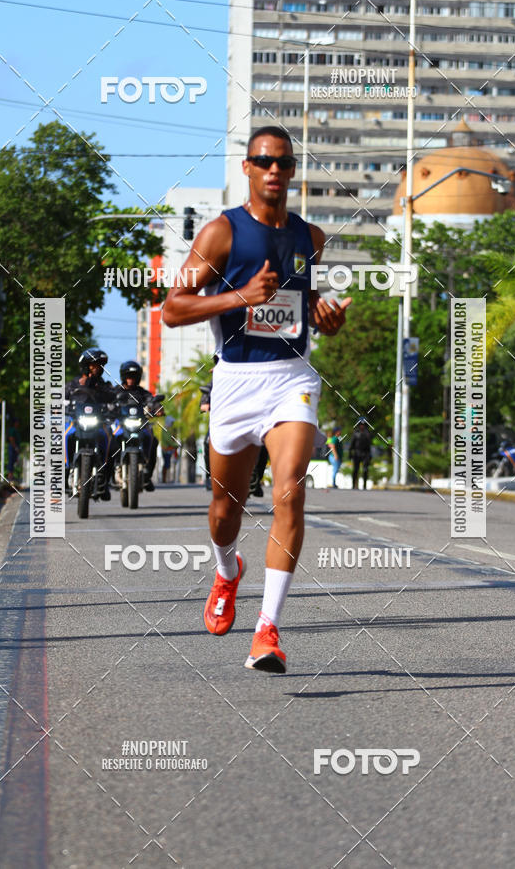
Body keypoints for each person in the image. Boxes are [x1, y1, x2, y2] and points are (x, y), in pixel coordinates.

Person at [163, 125, 351, 673]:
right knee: (227, 511)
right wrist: (238, 296)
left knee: (289, 488)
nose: (274, 170)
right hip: (235, 381)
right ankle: (227, 573)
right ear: (247, 168)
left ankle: (267, 630)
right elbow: (174, 307)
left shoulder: (310, 239)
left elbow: (310, 306)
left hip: (291, 376)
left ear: (293, 172)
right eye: (264, 161)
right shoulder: (222, 233)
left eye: (284, 163)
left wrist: (327, 318)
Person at [64, 349, 115, 500]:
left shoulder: (104, 385)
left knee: (111, 443)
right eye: (94, 365)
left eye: (100, 365)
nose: (97, 368)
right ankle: (64, 473)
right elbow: (61, 398)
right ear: (85, 366)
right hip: (76, 423)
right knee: (63, 438)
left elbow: (114, 398)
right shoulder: (73, 384)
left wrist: (115, 404)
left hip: (98, 424)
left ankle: (104, 481)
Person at [111, 360, 164, 491]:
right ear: (123, 377)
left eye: (134, 376)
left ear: (138, 377)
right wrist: (107, 408)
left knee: (153, 440)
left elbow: (152, 401)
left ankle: (147, 475)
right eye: (128, 376)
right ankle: (110, 471)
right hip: (121, 425)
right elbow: (106, 401)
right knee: (110, 441)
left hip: (140, 424)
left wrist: (158, 408)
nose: (131, 379)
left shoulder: (143, 393)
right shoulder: (115, 392)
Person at [349, 418, 372, 489]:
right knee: (355, 470)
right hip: (357, 453)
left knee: (365, 469)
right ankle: (353, 485)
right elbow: (352, 444)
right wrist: (350, 453)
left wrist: (369, 455)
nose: (362, 426)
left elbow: (369, 445)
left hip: (365, 454)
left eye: (363, 425)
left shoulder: (368, 433)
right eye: (361, 425)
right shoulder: (355, 433)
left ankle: (364, 485)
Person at [6, 416, 21, 482]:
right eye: (17, 422)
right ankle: (10, 475)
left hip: (14, 446)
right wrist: (15, 447)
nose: (18, 424)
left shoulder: (16, 429)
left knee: (14, 460)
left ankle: (11, 475)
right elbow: (11, 438)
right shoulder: (12, 429)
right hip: (12, 447)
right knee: (11, 460)